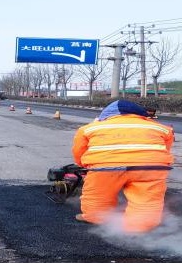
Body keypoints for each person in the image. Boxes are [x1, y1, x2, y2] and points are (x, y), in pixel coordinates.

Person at [71, 100, 175, 233]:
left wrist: (84, 165)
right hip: (150, 168)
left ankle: (96, 217)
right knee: (147, 197)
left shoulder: (89, 128)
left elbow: (79, 151)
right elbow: (165, 148)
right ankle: (142, 225)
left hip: (104, 168)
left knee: (99, 194)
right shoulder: (161, 128)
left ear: (106, 115)